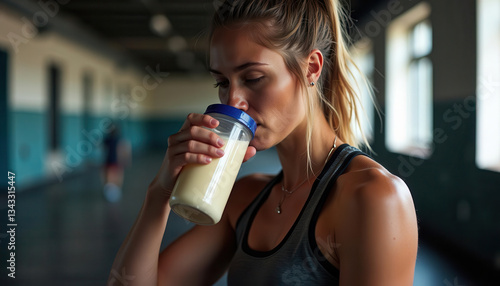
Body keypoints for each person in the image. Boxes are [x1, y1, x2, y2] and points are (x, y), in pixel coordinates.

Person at [108, 0, 418, 285]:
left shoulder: (374, 197)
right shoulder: (243, 198)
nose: (233, 101)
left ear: (311, 67)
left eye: (253, 78)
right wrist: (159, 193)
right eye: (222, 82)